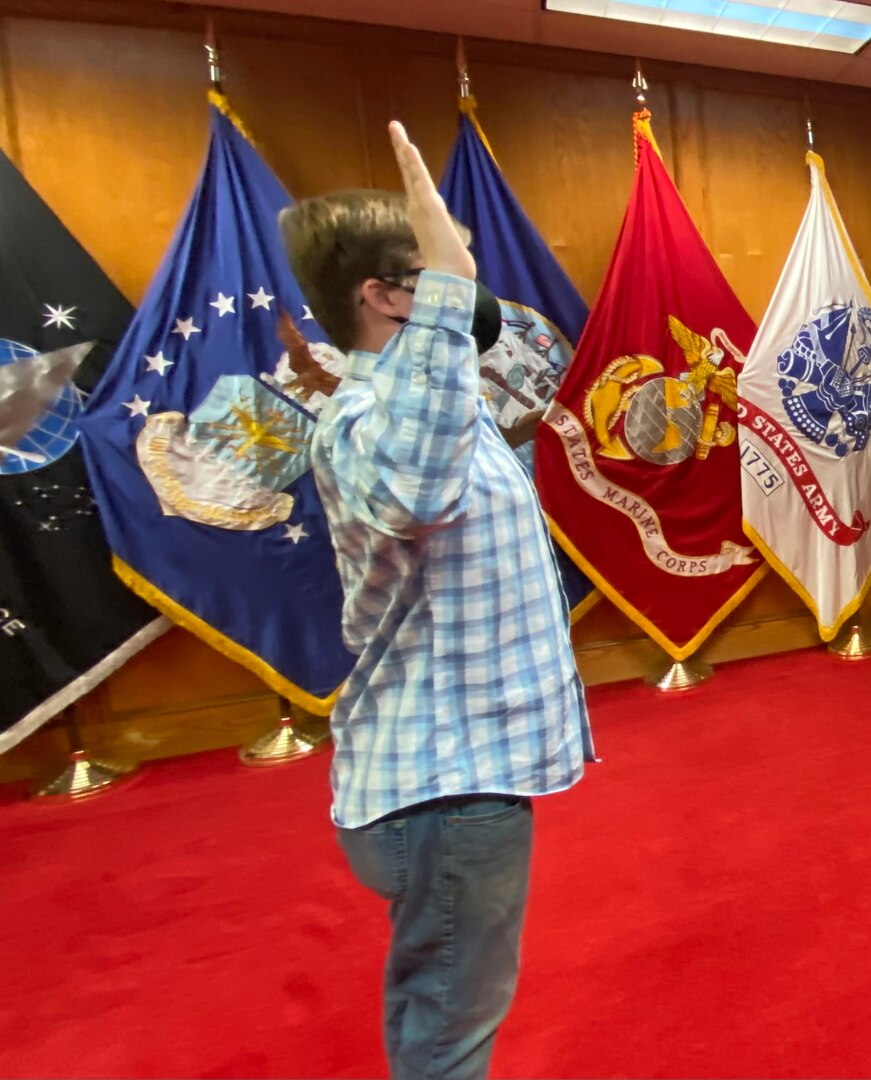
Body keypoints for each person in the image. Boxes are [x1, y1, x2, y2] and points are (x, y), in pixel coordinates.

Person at [281, 122, 593, 1079]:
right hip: (443, 791)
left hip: (458, 779)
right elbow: (417, 494)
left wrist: (447, 285)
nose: (467, 284)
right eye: (440, 270)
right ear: (384, 297)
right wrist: (452, 295)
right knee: (450, 1029)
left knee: (446, 1008)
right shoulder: (371, 417)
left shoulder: (432, 407)